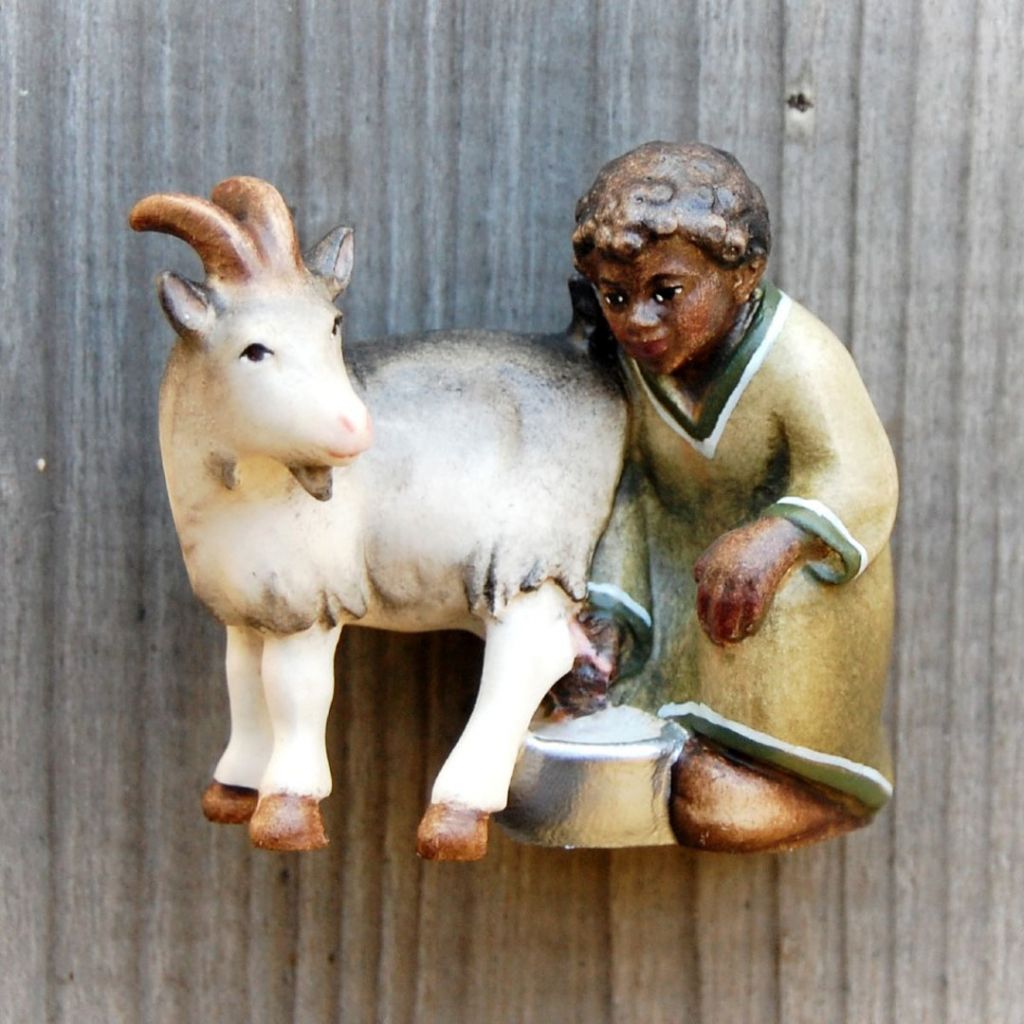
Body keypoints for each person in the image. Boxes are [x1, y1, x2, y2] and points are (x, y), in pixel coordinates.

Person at [571, 141, 898, 851]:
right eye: (615, 296)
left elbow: (860, 476)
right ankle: (685, 760)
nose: (638, 321)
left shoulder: (798, 357)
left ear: (744, 273)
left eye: (666, 292)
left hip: (782, 603)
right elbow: (630, 493)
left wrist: (778, 537)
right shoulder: (634, 370)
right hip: (676, 594)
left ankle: (804, 788)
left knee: (713, 796)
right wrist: (609, 613)